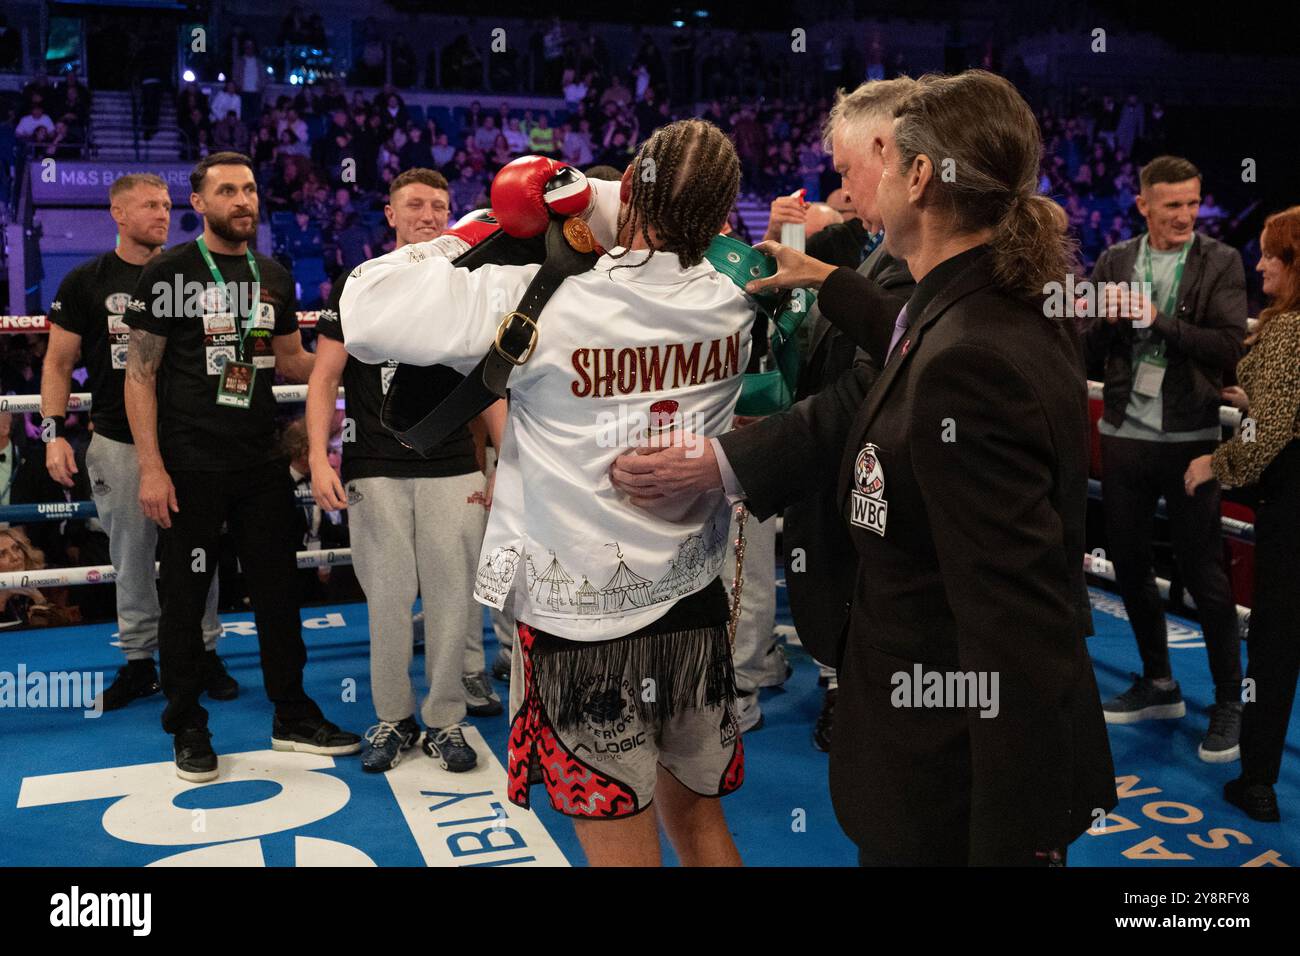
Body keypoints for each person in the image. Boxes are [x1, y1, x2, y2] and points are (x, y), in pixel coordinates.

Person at [610, 71, 1118, 865]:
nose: (860, 185)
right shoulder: (994, 302)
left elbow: (1015, 628)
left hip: (942, 776)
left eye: (878, 164)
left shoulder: (970, 362)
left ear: (917, 177)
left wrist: (1014, 842)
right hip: (931, 751)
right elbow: (910, 333)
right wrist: (826, 279)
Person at [340, 122, 751, 867]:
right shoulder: (734, 306)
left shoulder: (541, 301)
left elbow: (365, 311)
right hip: (693, 604)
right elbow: (670, 236)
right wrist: (610, 198)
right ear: (723, 215)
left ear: (630, 191)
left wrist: (483, 227)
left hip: (579, 621)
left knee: (620, 839)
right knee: (700, 825)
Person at [123, 151, 361, 782]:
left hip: (260, 461)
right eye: (227, 190)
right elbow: (139, 375)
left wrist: (358, 359)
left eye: (250, 189)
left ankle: (293, 713)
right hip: (189, 465)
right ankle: (187, 723)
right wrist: (151, 467)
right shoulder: (169, 271)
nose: (243, 200)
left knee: (278, 592)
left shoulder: (272, 274)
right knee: (184, 599)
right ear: (198, 203)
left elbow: (291, 360)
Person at [306, 168, 502, 774]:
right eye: (415, 204)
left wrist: (505, 462)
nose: (428, 215)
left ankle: (446, 719)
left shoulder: (469, 282)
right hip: (374, 466)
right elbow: (324, 377)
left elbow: (488, 382)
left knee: (451, 601)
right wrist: (316, 457)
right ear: (390, 215)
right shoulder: (360, 282)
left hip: (453, 466)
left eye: (439, 206)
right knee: (387, 602)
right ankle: (393, 717)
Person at [758, 78, 919, 751]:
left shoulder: (916, 257)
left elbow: (862, 390)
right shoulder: (886, 251)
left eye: (848, 169)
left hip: (883, 516)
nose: (844, 186)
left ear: (886, 151)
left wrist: (731, 465)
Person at [42, 173, 230, 711]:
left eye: (167, 205)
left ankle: (204, 651)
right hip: (118, 439)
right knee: (131, 555)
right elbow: (58, 363)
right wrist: (54, 434)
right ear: (118, 214)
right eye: (149, 205)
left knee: (200, 550)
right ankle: (140, 660)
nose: (163, 214)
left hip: (189, 439)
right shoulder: (86, 280)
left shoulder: (193, 274)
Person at [1084, 155, 1248, 761]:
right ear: (1143, 206)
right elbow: (1087, 349)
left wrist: (1159, 320)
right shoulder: (1115, 259)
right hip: (1125, 433)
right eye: (1172, 205)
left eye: (1192, 203)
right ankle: (1158, 683)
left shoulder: (1220, 261)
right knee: (1128, 565)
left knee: (1204, 575)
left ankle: (1229, 702)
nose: (1185, 215)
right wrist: (1105, 319)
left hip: (1189, 440)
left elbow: (1227, 345)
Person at [1185, 206, 1300, 821]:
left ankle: (1257, 781)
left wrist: (1215, 464)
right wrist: (1257, 396)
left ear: (1294, 263)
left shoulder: (1288, 332)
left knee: (1276, 646)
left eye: (1269, 255)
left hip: (1291, 507)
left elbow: (1273, 434)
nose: (1258, 266)